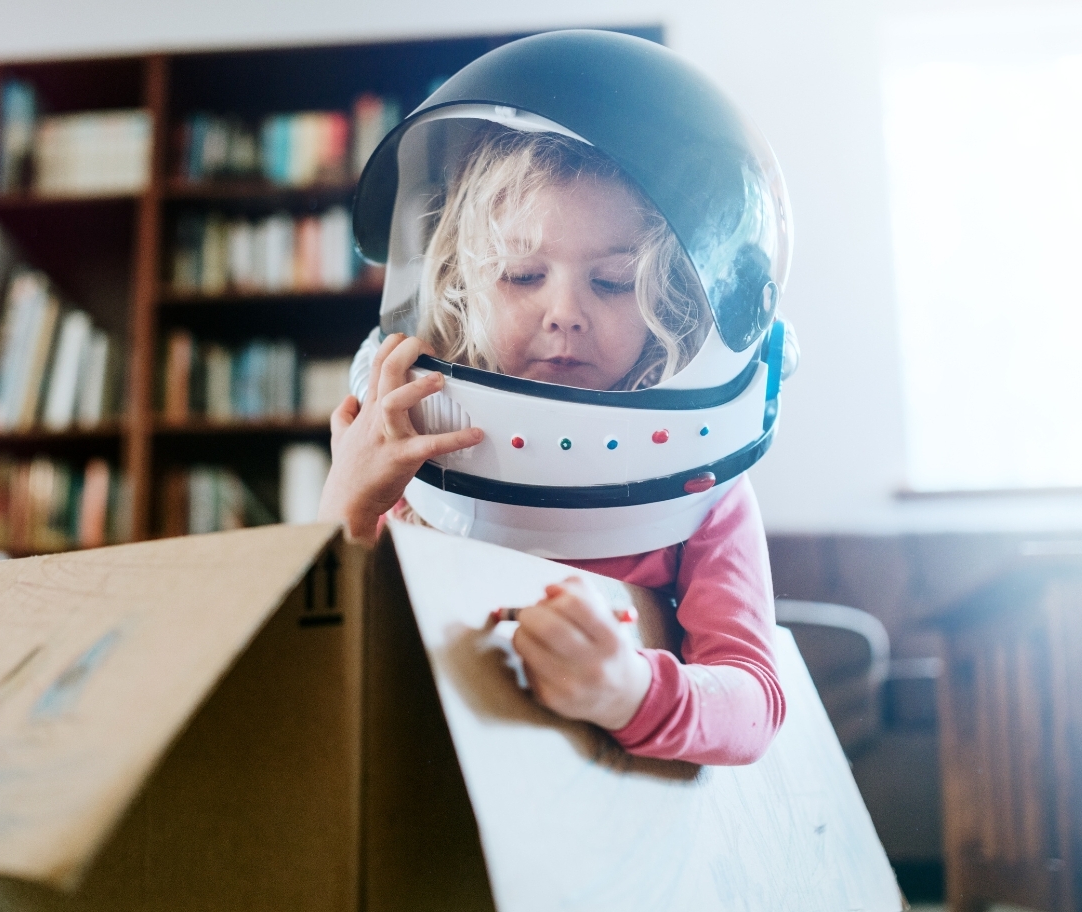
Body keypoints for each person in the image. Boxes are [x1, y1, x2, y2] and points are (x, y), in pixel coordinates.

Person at [319, 30, 791, 766]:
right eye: (520, 275)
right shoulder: (411, 445)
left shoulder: (702, 488)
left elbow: (753, 703)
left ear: (669, 301)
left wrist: (628, 692)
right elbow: (329, 646)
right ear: (464, 285)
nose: (564, 313)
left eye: (611, 282)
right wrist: (349, 503)